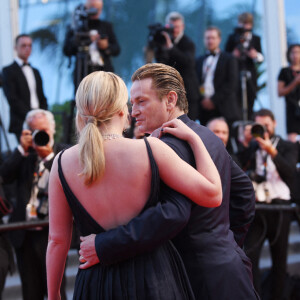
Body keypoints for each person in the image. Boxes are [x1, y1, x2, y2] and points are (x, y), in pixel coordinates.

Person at [78, 63, 258, 300]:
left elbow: (171, 214)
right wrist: (226, 245)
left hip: (193, 280)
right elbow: (244, 194)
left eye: (142, 102)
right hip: (230, 272)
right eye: (132, 104)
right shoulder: (207, 136)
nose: (133, 112)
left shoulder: (164, 147)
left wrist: (104, 245)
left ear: (170, 100)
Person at [46, 71, 222, 299]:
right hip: (152, 279)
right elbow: (213, 194)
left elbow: (57, 241)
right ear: (122, 110)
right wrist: (195, 140)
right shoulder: (151, 150)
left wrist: (53, 295)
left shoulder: (61, 163)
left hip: (95, 282)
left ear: (81, 112)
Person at [0, 109, 67, 300]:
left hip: (52, 235)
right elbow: (3, 176)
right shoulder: (24, 158)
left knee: (56, 292)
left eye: (43, 130)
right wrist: (22, 149)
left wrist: (47, 157)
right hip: (25, 236)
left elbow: (68, 177)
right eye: (34, 131)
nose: (40, 135)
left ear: (52, 130)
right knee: (30, 293)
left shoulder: (63, 153)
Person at [238, 108, 298, 300]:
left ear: (274, 124)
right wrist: (246, 144)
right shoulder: (253, 147)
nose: (263, 129)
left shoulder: (288, 146)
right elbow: (238, 168)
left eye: (266, 124)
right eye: (259, 125)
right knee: (251, 257)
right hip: (258, 207)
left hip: (281, 207)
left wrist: (271, 151)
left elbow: (290, 173)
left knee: (280, 260)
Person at [148, 11, 200, 121]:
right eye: (171, 27)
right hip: (170, 91)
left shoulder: (188, 43)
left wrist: (171, 48)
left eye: (177, 27)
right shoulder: (163, 40)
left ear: (183, 26)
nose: (174, 30)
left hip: (187, 92)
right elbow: (160, 63)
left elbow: (188, 62)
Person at [63, 0, 120, 89]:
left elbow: (117, 49)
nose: (95, 11)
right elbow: (67, 50)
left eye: (98, 9)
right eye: (92, 8)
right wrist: (88, 39)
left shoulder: (106, 26)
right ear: (85, 9)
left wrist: (106, 47)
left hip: (103, 71)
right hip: (82, 72)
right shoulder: (76, 27)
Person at [2, 34, 48, 140]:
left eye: (30, 46)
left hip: (40, 120)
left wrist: (42, 114)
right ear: (15, 48)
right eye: (23, 45)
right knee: (27, 154)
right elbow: (12, 99)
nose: (27, 48)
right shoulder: (8, 71)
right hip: (21, 121)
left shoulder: (36, 71)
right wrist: (31, 116)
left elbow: (42, 96)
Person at [196, 26, 240, 127]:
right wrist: (203, 99)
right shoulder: (199, 60)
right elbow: (196, 83)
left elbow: (231, 84)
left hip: (224, 108)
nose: (210, 41)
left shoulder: (229, 59)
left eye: (213, 38)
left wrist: (213, 100)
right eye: (207, 38)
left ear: (219, 40)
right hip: (204, 110)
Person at [225, 12, 264, 120]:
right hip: (235, 73)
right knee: (236, 100)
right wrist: (233, 55)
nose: (244, 26)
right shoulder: (233, 37)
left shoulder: (256, 38)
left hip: (250, 74)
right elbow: (225, 55)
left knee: (250, 98)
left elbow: (261, 58)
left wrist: (255, 55)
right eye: (242, 23)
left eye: (246, 24)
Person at [278, 44, 300, 143]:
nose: (295, 55)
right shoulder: (285, 72)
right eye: (293, 52)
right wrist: (295, 82)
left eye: (298, 52)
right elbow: (280, 92)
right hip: (292, 110)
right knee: (292, 140)